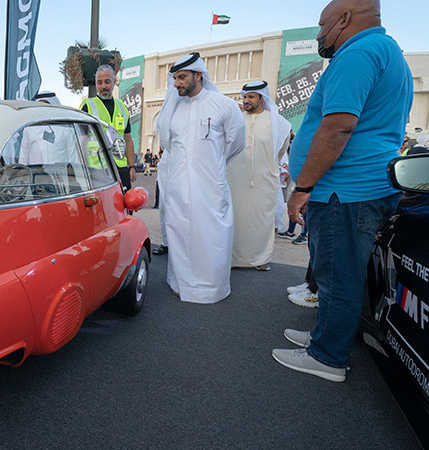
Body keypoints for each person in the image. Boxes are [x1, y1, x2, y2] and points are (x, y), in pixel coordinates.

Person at [273, 0, 413, 382]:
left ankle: (327, 356)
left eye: (322, 25)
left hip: (344, 191)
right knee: (341, 273)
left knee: (337, 277)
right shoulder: (388, 52)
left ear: (345, 19)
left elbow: (337, 127)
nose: (319, 34)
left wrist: (302, 187)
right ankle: (326, 336)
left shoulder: (358, 53)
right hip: (359, 188)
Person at [155, 52, 245, 303]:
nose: (177, 84)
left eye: (182, 77)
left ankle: (211, 288)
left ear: (198, 75)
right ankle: (180, 283)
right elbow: (169, 146)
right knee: (179, 233)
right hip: (178, 185)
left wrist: (211, 165)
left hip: (210, 185)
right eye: (174, 78)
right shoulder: (172, 110)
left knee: (212, 236)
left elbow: (235, 143)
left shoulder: (223, 105)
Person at [228, 81, 292, 271]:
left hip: (264, 179)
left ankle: (260, 258)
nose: (246, 101)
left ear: (262, 98)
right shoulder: (236, 119)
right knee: (236, 218)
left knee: (261, 220)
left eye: (251, 97)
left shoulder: (278, 123)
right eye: (245, 97)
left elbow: (280, 150)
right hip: (235, 178)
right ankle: (233, 259)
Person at [80, 65, 137, 190]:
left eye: (107, 82)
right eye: (99, 83)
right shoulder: (88, 106)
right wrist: (83, 169)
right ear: (96, 84)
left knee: (125, 205)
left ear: (114, 82)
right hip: (97, 168)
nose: (103, 86)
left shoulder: (122, 107)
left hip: (120, 167)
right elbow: (81, 141)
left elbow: (127, 139)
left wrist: (132, 166)